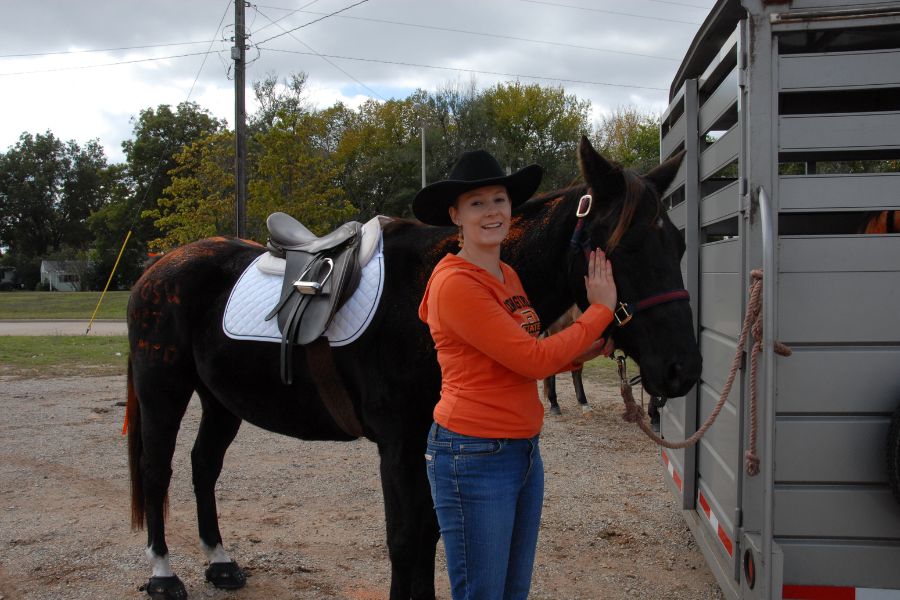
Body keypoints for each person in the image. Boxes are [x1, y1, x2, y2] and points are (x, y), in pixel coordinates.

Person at [413, 149, 618, 599]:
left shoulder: (506, 274)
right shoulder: (456, 284)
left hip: (520, 450)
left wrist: (578, 354)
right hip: (474, 454)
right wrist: (600, 311)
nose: (492, 212)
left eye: (499, 200)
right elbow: (531, 360)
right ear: (455, 215)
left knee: (511, 591)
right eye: (477, 203)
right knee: (484, 593)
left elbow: (517, 359)